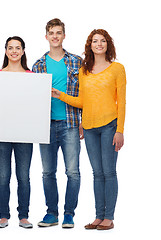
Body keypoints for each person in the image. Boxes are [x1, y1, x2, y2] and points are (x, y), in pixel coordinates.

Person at [52, 29, 126, 230]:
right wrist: (61, 95)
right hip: (90, 127)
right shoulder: (84, 70)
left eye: (103, 41)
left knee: (109, 172)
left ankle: (108, 217)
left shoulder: (117, 69)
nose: (99, 44)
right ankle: (98, 216)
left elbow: (122, 102)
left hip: (110, 125)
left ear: (107, 45)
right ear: (90, 45)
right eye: (95, 41)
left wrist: (120, 129)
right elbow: (83, 101)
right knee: (97, 173)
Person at [32, 18, 82, 228]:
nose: (55, 36)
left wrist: (83, 121)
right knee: (47, 172)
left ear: (63, 36)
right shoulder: (38, 65)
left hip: (70, 123)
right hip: (46, 125)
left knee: (73, 171)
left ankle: (69, 213)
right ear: (46, 36)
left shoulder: (76, 62)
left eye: (58, 32)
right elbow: (31, 99)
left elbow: (83, 94)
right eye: (51, 33)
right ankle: (51, 213)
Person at [0, 36, 33, 229]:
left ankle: (23, 215)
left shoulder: (32, 76)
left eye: (18, 48)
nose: (14, 51)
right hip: (1, 132)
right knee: (3, 176)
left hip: (25, 133)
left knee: (23, 176)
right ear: (6, 51)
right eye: (10, 48)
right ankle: (3, 216)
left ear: (23, 51)